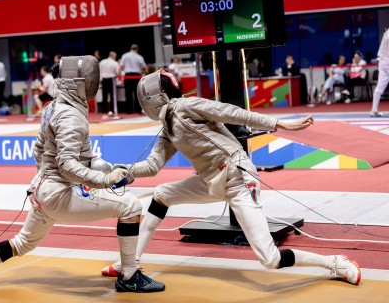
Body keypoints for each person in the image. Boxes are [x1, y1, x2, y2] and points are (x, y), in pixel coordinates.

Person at [100, 69, 361, 286]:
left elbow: (230, 111)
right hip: (211, 180)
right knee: (161, 195)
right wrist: (125, 172)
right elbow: (153, 165)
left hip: (237, 177)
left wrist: (278, 124)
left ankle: (335, 263)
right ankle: (128, 263)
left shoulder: (186, 106)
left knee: (269, 259)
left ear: (153, 97)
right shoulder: (168, 126)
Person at [0, 56, 165, 294]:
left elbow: (43, 150)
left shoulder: (53, 107)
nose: (93, 84)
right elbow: (67, 164)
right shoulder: (71, 116)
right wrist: (104, 181)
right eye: (89, 80)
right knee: (131, 206)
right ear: (75, 84)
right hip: (59, 194)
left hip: (42, 191)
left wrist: (103, 169)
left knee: (22, 242)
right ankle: (130, 275)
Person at [119, 44, 147, 114]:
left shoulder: (125, 55)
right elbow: (144, 67)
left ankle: (129, 111)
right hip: (136, 76)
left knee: (128, 94)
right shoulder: (139, 57)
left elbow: (121, 67)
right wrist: (143, 73)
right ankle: (138, 110)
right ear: (137, 49)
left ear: (130, 48)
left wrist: (119, 76)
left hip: (127, 76)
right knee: (137, 93)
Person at [370, 28, 389, 117]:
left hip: (382, 62)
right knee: (379, 87)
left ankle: (374, 110)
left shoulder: (387, 32)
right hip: (386, 62)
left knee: (379, 87)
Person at [99, 51, 119, 115]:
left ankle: (104, 110)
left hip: (104, 80)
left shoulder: (102, 62)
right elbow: (117, 72)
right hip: (112, 80)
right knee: (113, 96)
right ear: (113, 56)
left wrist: (100, 79)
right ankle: (112, 110)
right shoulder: (115, 63)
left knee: (104, 96)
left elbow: (99, 71)